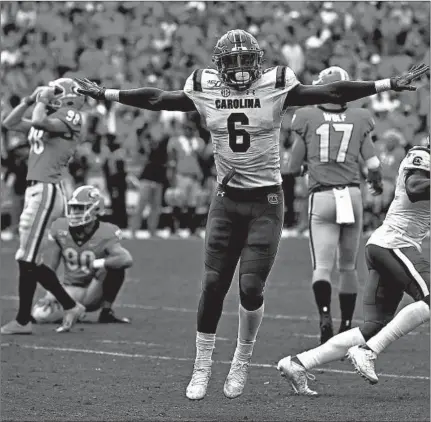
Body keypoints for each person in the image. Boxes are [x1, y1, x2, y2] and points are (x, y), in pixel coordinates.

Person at [74, 29, 428, 400]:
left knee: (250, 287)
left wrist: (387, 83)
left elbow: (333, 92)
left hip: (266, 201)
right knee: (213, 284)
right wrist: (106, 93)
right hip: (227, 199)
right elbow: (159, 98)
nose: (241, 69)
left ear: (258, 62)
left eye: (247, 61)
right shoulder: (204, 86)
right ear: (219, 65)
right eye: (233, 62)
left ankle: (242, 358)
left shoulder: (275, 84)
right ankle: (203, 364)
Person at [277, 142, 430, 395]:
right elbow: (414, 188)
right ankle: (368, 352)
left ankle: (298, 363)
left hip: (386, 247)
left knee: (374, 326)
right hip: (394, 245)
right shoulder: (421, 156)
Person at [286, 66, 383, 344]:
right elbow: (374, 164)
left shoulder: (306, 116)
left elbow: (292, 166)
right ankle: (348, 324)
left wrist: (308, 166)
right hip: (352, 195)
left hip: (323, 196)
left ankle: (325, 316)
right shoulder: (360, 117)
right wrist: (376, 183)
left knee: (322, 267)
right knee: (349, 266)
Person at [1, 78, 88, 335]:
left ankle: (23, 320)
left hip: (47, 190)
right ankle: (70, 306)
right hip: (36, 190)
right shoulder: (50, 116)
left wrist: (40, 100)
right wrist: (29, 100)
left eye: (57, 91)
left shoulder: (70, 114)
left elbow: (39, 122)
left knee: (27, 258)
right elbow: (9, 123)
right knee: (28, 258)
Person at [31, 185, 133, 324]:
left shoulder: (105, 231)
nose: (75, 212)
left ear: (96, 209)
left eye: (81, 208)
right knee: (39, 315)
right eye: (74, 207)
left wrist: (99, 263)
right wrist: (51, 292)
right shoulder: (61, 228)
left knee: (116, 266)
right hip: (69, 289)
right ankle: (72, 311)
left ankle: (106, 311)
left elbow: (126, 259)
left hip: (94, 290)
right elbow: (50, 265)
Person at [165, 121, 206, 237]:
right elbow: (171, 159)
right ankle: (174, 229)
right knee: (177, 203)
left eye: (190, 129)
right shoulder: (176, 141)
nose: (188, 131)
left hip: (195, 176)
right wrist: (171, 175)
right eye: (186, 129)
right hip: (181, 175)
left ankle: (192, 230)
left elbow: (204, 159)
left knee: (193, 204)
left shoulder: (199, 142)